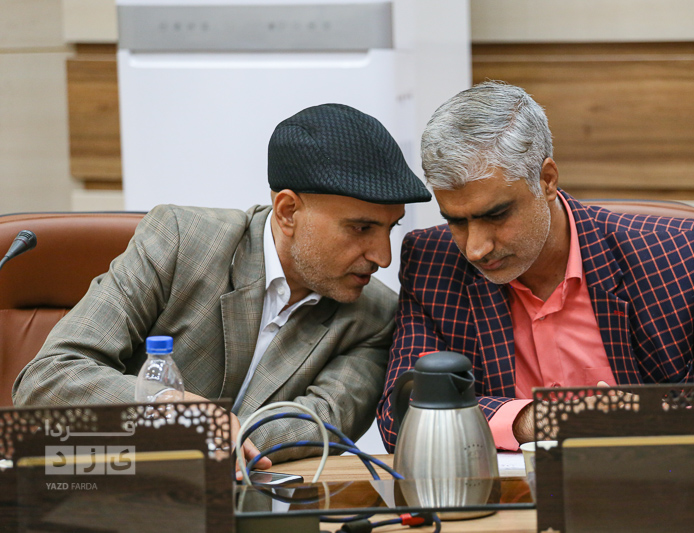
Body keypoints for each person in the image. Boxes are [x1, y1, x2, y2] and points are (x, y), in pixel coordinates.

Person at [377, 81, 694, 451]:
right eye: (456, 221)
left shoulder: (669, 254)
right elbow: (402, 415)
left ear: (547, 180)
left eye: (496, 215)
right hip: (508, 501)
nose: (475, 248)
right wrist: (543, 419)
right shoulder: (432, 261)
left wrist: (652, 423)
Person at [13, 103, 431, 466]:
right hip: (109, 483)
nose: (383, 257)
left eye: (391, 228)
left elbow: (318, 425)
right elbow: (49, 377)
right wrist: (168, 408)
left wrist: (216, 433)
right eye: (361, 228)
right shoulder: (181, 241)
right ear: (287, 211)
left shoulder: (375, 315)